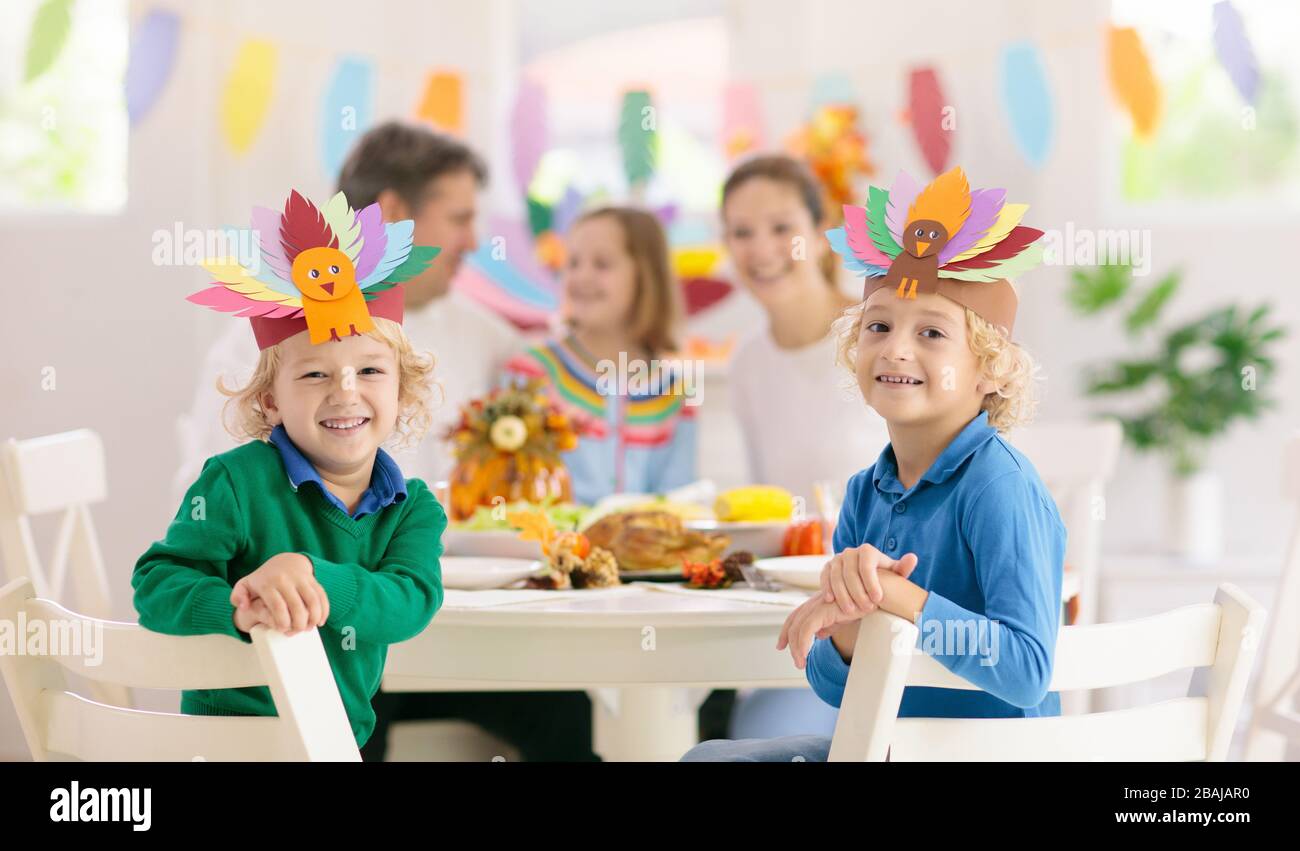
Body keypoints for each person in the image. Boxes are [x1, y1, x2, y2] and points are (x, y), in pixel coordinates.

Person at [684, 168, 1066, 761]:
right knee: (707, 757)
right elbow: (835, 689)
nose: (895, 348)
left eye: (932, 333)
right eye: (878, 326)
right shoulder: (866, 492)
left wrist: (898, 597)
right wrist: (840, 629)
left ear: (990, 371)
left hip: (983, 754)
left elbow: (1026, 670)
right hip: (888, 746)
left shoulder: (999, 486)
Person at [134, 192, 445, 748]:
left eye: (370, 370)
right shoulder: (234, 483)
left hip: (338, 739)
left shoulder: (413, 509)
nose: (345, 392)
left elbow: (410, 601)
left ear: (402, 391)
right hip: (224, 743)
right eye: (314, 376)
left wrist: (311, 575)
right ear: (270, 402)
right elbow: (157, 584)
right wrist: (240, 605)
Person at [718, 155, 889, 738]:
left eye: (781, 227)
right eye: (742, 232)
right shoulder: (748, 365)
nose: (761, 248)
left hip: (889, 607)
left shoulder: (882, 336)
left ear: (820, 237)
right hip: (793, 614)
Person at [503, 206, 697, 504]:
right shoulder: (533, 375)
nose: (582, 276)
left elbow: (679, 503)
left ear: (646, 276)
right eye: (574, 262)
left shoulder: (675, 394)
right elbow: (511, 487)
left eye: (602, 264)